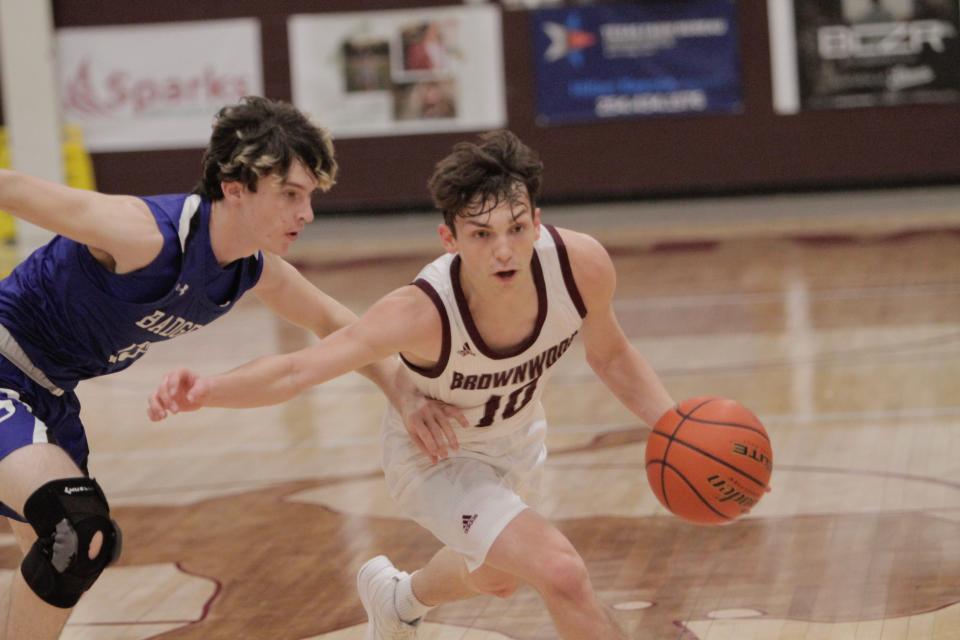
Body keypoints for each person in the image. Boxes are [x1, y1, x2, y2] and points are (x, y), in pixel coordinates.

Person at [148, 130, 675, 639]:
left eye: (516, 228)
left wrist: (676, 429)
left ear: (537, 223)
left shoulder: (579, 266)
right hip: (435, 458)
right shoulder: (421, 312)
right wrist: (209, 388)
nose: (504, 251)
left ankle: (400, 599)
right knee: (561, 572)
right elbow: (296, 370)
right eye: (482, 235)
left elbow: (612, 356)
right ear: (449, 239)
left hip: (518, 441)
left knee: (499, 575)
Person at [0, 96, 462, 640]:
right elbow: (11, 188)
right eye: (289, 194)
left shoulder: (247, 269)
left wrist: (402, 392)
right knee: (75, 528)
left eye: (310, 197)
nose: (306, 213)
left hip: (51, 393)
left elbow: (336, 322)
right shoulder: (145, 234)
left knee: (63, 556)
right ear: (235, 186)